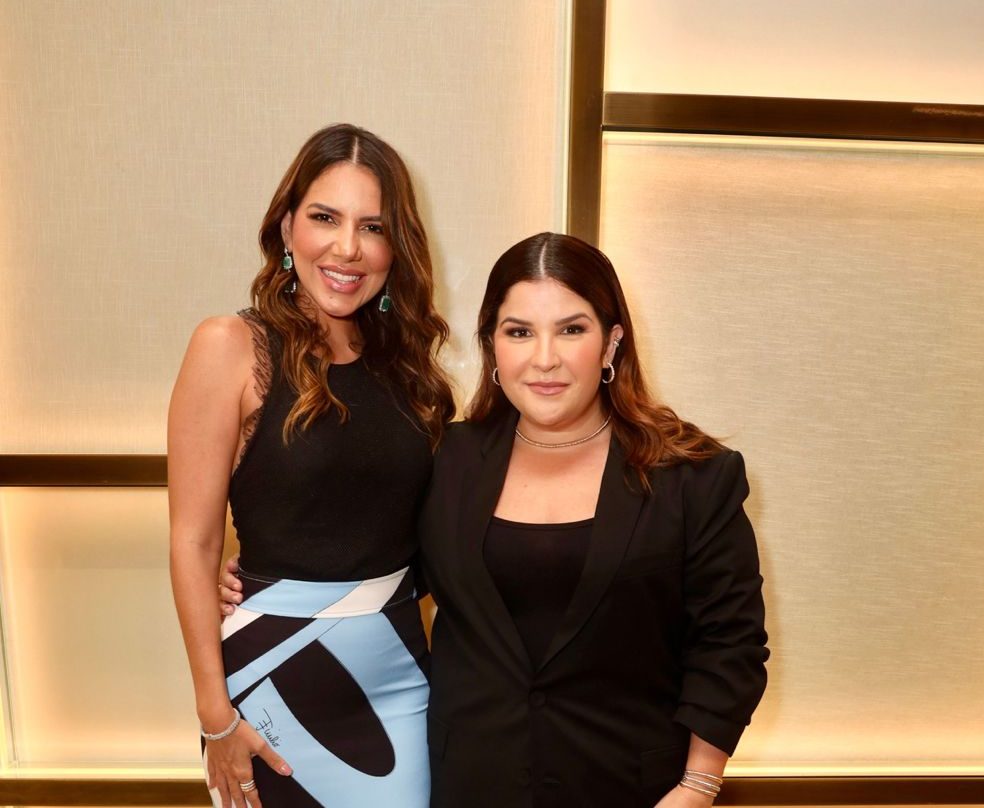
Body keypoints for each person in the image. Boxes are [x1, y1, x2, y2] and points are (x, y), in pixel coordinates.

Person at [220, 232, 768, 807]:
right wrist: (253, 579)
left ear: (611, 344)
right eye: (519, 331)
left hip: (636, 789)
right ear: (492, 346)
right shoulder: (448, 460)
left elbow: (731, 644)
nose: (545, 357)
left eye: (572, 329)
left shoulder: (693, 476)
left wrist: (698, 786)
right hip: (471, 785)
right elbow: (368, 558)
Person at [169, 123, 453, 808]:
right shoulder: (230, 346)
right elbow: (194, 541)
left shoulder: (410, 367)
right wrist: (216, 718)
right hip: (268, 680)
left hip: (402, 673)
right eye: (325, 217)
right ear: (288, 226)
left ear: (396, 247)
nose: (347, 247)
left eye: (373, 226)